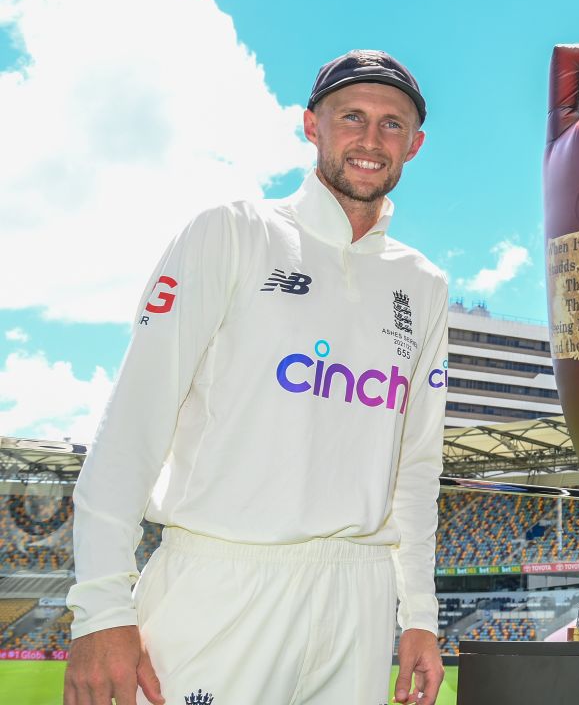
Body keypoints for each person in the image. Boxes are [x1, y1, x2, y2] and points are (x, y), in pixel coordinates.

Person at [63, 50, 449, 705]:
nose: (370, 138)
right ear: (311, 125)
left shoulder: (423, 284)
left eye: (391, 125)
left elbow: (414, 468)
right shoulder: (231, 233)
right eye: (351, 116)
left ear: (414, 146)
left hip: (357, 600)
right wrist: (101, 607)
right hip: (222, 582)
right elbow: (132, 424)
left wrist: (419, 614)